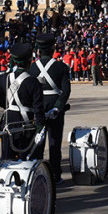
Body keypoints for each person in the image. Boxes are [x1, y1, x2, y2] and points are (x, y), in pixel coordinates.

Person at [28, 34, 71, 183]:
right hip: (54, 108)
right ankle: (55, 174)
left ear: (38, 51)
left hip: (37, 107)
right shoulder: (61, 66)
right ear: (53, 49)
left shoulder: (32, 67)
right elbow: (66, 91)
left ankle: (37, 173)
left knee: (37, 143)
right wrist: (58, 107)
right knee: (54, 143)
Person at [0, 43, 46, 161]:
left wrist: (11, 106)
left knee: (7, 160)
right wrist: (40, 128)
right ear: (29, 61)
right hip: (26, 125)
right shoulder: (34, 82)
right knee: (27, 161)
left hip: (8, 122)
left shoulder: (4, 78)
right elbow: (38, 108)